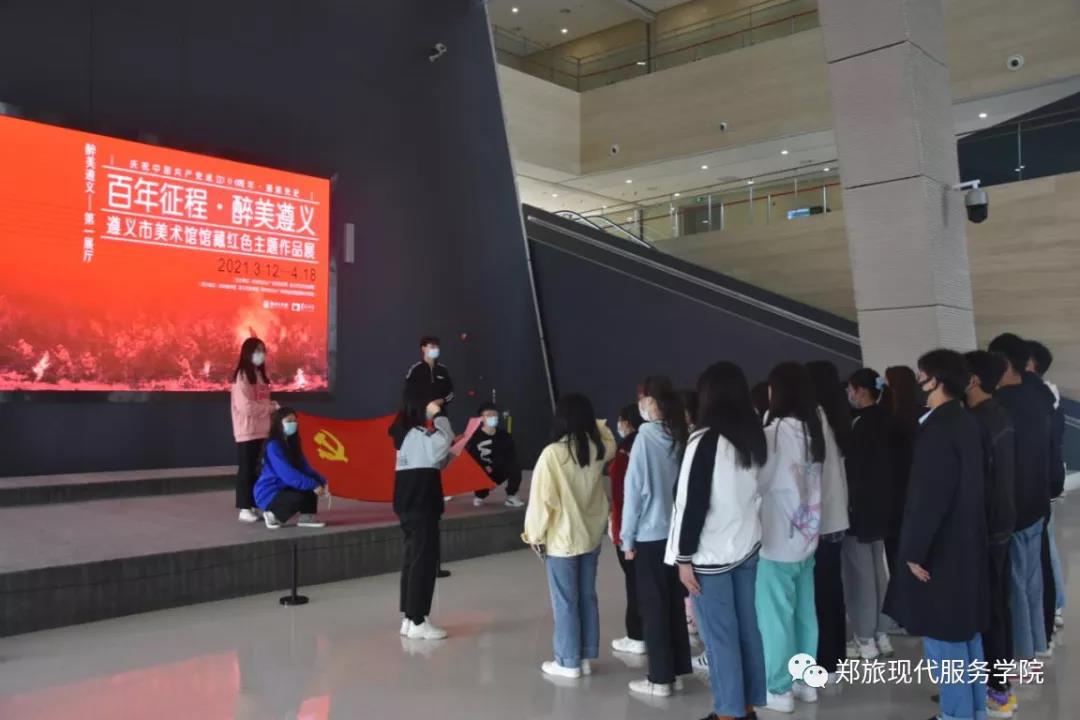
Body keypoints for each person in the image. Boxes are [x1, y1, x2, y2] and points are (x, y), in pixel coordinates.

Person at [884, 350, 990, 720]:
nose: (918, 382)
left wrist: (914, 551)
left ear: (936, 380)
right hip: (965, 541)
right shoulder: (965, 421)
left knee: (945, 637)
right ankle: (974, 709)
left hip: (940, 550)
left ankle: (956, 714)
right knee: (966, 633)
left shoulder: (938, 430)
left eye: (921, 375)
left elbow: (930, 498)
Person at [668, 361, 768, 720]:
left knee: (719, 636)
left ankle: (728, 712)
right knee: (747, 631)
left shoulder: (705, 440)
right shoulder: (752, 436)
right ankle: (746, 706)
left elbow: (692, 504)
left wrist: (683, 558)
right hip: (746, 546)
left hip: (710, 555)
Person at [522, 394, 616, 679]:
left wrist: (534, 535)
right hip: (590, 536)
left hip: (562, 540)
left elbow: (542, 500)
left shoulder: (553, 454)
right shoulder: (598, 448)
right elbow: (609, 436)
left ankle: (567, 660)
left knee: (565, 601)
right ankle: (585, 655)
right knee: (587, 596)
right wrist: (593, 423)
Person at [756, 362, 824, 713]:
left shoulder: (773, 432)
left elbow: (758, 481)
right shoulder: (814, 429)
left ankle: (779, 688)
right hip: (807, 537)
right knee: (804, 613)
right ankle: (806, 682)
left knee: (776, 618)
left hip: (776, 540)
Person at [621, 376, 692, 697]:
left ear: (652, 402)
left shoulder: (644, 439)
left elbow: (634, 492)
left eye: (644, 398)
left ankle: (660, 678)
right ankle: (676, 668)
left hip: (649, 536)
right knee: (674, 604)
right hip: (677, 535)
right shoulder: (681, 434)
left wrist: (627, 539)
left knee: (654, 608)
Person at [989, 332, 1053, 662]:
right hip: (1037, 504)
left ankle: (1021, 658)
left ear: (1003, 363)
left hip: (1013, 508)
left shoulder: (1000, 406)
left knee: (1014, 589)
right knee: (1032, 583)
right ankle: (1038, 645)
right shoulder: (1039, 397)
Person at [964, 350, 1018, 717]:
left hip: (986, 527)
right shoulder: (998, 414)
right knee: (996, 607)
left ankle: (996, 691)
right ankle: (997, 687)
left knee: (988, 611)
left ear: (973, 380)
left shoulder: (978, 422)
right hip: (1001, 523)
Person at [389, 385, 455, 640]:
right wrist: (439, 416)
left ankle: (410, 617)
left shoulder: (406, 432)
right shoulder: (417, 433)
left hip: (411, 502)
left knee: (413, 560)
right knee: (423, 562)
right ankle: (417, 619)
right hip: (421, 504)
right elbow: (444, 441)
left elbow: (435, 459)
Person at [842, 368, 895, 661]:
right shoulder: (887, 418)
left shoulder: (859, 424)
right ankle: (881, 633)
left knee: (859, 576)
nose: (849, 395)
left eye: (850, 389)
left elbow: (854, 471)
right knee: (877, 571)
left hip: (859, 509)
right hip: (881, 507)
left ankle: (864, 637)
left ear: (861, 391)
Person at [806, 360, 852, 683]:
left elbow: (810, 472)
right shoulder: (838, 415)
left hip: (819, 523)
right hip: (836, 519)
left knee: (820, 596)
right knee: (832, 592)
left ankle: (825, 662)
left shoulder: (815, 416)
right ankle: (835, 658)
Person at [404, 335, 454, 578]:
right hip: (422, 418)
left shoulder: (443, 371)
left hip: (440, 416)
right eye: (430, 346)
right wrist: (424, 407)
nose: (434, 349)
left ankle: (439, 484)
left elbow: (451, 392)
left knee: (444, 450)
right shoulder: (416, 369)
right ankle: (430, 484)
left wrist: (441, 401)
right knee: (427, 452)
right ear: (423, 348)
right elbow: (408, 393)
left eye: (437, 346)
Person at [1027, 340, 1066, 633]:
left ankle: (1054, 606)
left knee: (1045, 548)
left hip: (1038, 486)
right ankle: (1056, 605)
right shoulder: (1048, 397)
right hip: (1043, 485)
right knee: (1046, 546)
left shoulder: (1042, 398)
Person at [610, 403, 646, 656]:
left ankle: (636, 635)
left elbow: (622, 497)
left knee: (634, 584)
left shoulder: (626, 451)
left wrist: (625, 536)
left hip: (631, 529)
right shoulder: (659, 443)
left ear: (627, 422)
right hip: (656, 530)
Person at [254, 408, 327, 529]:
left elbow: (305, 468)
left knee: (310, 484)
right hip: (270, 492)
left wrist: (321, 481)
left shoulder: (292, 444)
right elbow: (288, 474)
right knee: (300, 495)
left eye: (294, 421)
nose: (293, 424)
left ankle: (306, 517)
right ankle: (272, 515)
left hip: (285, 487)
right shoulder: (273, 445)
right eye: (289, 421)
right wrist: (313, 484)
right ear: (278, 423)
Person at [881, 365, 920, 575]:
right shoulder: (924, 415)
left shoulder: (889, 420)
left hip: (894, 495)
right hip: (918, 492)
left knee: (895, 552)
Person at [231, 337, 275, 523]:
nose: (261, 354)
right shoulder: (242, 376)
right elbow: (245, 407)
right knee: (247, 470)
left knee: (258, 470)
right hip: (247, 431)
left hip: (263, 430)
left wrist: (270, 408)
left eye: (263, 350)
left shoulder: (260, 375)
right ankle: (244, 507)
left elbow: (262, 401)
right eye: (257, 350)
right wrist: (270, 408)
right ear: (248, 353)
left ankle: (255, 503)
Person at [466, 402, 524, 508]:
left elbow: (511, 456)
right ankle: (480, 495)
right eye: (488, 415)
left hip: (499, 469)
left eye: (494, 414)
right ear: (481, 418)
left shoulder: (504, 435)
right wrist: (485, 468)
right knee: (480, 486)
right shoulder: (474, 437)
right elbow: (472, 458)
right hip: (483, 471)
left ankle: (511, 497)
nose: (492, 417)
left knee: (515, 467)